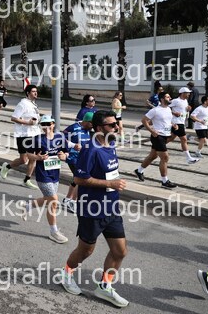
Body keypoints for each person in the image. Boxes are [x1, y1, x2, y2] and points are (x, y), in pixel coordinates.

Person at [61, 110, 129, 308]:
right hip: (92, 209)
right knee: (86, 251)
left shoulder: (111, 144)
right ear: (99, 128)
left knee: (120, 251)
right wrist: (111, 184)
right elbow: (79, 179)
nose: (116, 127)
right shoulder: (90, 149)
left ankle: (105, 286)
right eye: (111, 125)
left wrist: (113, 184)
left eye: (116, 123)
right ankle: (66, 274)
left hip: (111, 207)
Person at [22, 115, 76, 244]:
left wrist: (65, 156)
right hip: (43, 175)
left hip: (55, 174)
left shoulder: (59, 137)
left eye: (48, 124)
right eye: (43, 124)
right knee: (54, 201)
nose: (46, 127)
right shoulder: (37, 139)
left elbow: (66, 152)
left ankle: (28, 206)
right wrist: (38, 158)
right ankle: (54, 231)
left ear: (53, 124)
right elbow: (28, 154)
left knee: (49, 200)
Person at [133, 92, 178, 189]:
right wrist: (151, 131)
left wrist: (173, 125)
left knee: (152, 156)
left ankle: (139, 171)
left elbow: (166, 121)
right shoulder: (155, 110)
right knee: (165, 158)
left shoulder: (168, 109)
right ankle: (165, 181)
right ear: (162, 99)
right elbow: (144, 120)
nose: (170, 98)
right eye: (168, 96)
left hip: (165, 136)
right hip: (157, 137)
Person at [0, 85, 40, 189]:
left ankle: (27, 180)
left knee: (33, 158)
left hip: (34, 134)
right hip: (24, 135)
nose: (36, 93)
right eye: (33, 91)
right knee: (23, 160)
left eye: (36, 91)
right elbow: (13, 118)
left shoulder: (33, 104)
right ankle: (7, 167)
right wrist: (28, 122)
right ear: (28, 93)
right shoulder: (23, 104)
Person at [62, 112, 94, 213]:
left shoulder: (89, 130)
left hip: (83, 158)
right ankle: (73, 202)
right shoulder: (73, 128)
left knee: (77, 179)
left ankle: (67, 199)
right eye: (92, 123)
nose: (93, 126)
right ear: (87, 121)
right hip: (73, 157)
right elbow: (61, 138)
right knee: (81, 179)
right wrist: (73, 145)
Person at [167, 87, 199, 164]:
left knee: (171, 138)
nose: (189, 94)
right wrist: (174, 113)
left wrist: (188, 109)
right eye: (187, 93)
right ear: (182, 93)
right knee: (184, 139)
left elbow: (184, 110)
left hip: (181, 122)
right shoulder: (176, 101)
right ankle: (189, 158)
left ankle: (157, 146)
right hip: (177, 122)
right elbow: (165, 107)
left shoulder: (185, 101)